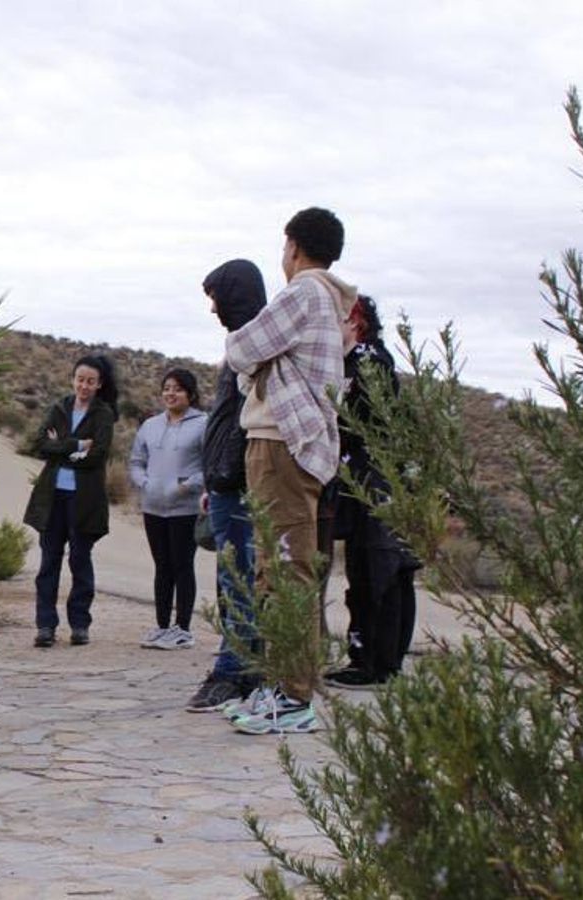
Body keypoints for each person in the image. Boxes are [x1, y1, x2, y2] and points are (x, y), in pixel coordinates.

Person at [223, 207, 357, 736]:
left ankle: (294, 695)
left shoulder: (303, 292)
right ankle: (280, 684)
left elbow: (241, 348)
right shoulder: (324, 299)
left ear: (294, 246)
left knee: (286, 570)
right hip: (282, 442)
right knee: (272, 570)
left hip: (283, 442)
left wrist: (260, 360)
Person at [324, 295, 420, 688]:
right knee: (369, 571)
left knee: (380, 571)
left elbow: (369, 422)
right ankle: (371, 659)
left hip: (376, 485)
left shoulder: (370, 362)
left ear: (355, 320)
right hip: (363, 484)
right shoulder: (351, 364)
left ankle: (377, 663)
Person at [185, 259, 268, 712]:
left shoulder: (253, 347)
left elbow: (245, 421)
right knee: (233, 579)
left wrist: (226, 473)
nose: (213, 308)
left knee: (237, 580)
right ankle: (243, 667)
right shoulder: (242, 344)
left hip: (237, 484)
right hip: (225, 482)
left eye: (216, 297)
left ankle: (233, 672)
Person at [24, 354, 118, 648]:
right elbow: (39, 445)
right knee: (48, 563)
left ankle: (79, 624)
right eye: (80, 379)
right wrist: (77, 445)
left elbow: (98, 455)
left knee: (80, 561)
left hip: (84, 500)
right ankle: (45, 626)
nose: (84, 386)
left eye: (90, 381)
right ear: (73, 379)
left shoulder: (103, 414)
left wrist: (60, 449)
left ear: (99, 384)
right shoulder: (59, 408)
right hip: (52, 498)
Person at [128, 368, 208, 650]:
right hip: (153, 507)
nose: (171, 394)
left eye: (178, 389)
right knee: (162, 566)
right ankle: (162, 627)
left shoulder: (202, 424)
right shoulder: (150, 425)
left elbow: (209, 466)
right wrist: (144, 483)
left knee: (182, 566)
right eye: (167, 388)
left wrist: (185, 486)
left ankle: (183, 629)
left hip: (185, 509)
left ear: (191, 394)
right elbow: (136, 461)